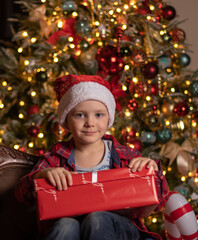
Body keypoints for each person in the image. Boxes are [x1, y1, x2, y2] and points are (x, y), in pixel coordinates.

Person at [15, 74, 169, 240]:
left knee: (97, 219)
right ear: (67, 119)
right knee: (66, 224)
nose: (90, 123)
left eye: (98, 115)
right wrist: (41, 177)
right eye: (80, 115)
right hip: (71, 229)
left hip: (119, 229)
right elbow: (21, 195)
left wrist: (150, 170)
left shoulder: (126, 156)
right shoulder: (55, 157)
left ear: (109, 118)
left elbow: (160, 199)